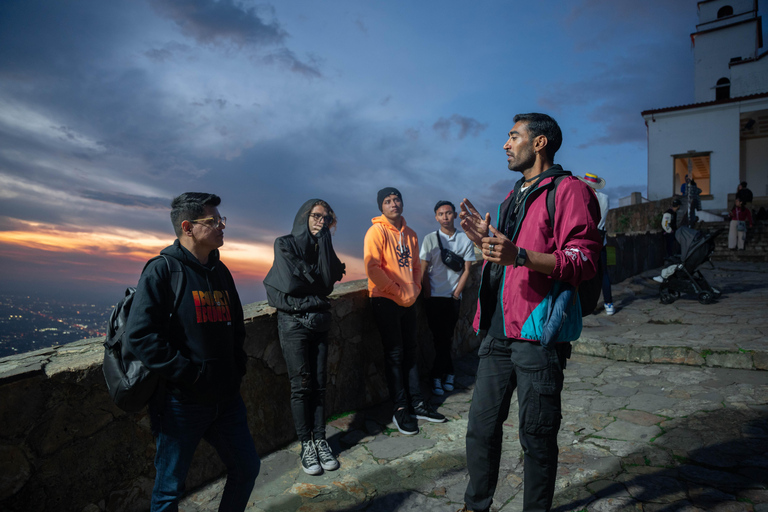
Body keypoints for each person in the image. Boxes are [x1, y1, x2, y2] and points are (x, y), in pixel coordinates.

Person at [457, 113, 600, 512]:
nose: (505, 144)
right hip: (497, 332)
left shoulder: (570, 191)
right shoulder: (510, 197)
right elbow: (504, 260)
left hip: (539, 335)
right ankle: (475, 506)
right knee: (480, 430)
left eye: (513, 136)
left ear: (539, 143)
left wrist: (518, 254)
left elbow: (582, 259)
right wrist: (485, 243)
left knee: (536, 437)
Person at [125, 192, 260, 512]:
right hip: (181, 404)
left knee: (247, 468)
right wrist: (191, 375)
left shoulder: (220, 271)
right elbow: (141, 335)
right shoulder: (162, 271)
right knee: (169, 491)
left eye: (221, 220)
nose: (221, 226)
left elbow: (237, 326)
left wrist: (235, 368)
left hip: (226, 399)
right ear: (187, 227)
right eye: (213, 221)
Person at [263, 199, 346, 475]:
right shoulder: (283, 243)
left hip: (317, 321)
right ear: (305, 216)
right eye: (315, 216)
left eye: (325, 218)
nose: (320, 221)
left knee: (320, 385)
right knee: (302, 385)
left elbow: (329, 281)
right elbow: (290, 282)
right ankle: (306, 445)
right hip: (293, 323)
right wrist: (317, 291)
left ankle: (321, 440)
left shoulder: (323, 245)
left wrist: (324, 246)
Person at [364, 187, 446, 436]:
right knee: (395, 355)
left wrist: (416, 288)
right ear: (381, 207)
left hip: (409, 300)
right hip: (384, 300)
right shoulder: (375, 231)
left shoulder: (410, 234)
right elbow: (373, 268)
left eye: (396, 199)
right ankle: (400, 408)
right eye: (387, 201)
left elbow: (415, 267)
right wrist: (398, 292)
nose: (393, 204)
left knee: (411, 351)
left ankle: (417, 404)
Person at [419, 200, 477, 396]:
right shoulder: (430, 239)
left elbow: (468, 269)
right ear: (436, 217)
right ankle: (445, 374)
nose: (445, 217)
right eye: (441, 214)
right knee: (440, 338)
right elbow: (423, 269)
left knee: (446, 337)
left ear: (454, 215)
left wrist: (456, 293)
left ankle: (438, 376)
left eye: (448, 213)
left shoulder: (464, 239)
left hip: (452, 298)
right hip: (434, 297)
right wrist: (427, 293)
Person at [577, 173, 613, 315]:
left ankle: (585, 304)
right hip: (601, 238)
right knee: (604, 274)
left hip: (587, 240)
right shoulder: (605, 198)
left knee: (584, 273)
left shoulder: (583, 198)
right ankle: (609, 304)